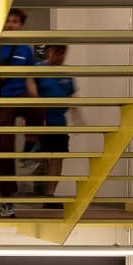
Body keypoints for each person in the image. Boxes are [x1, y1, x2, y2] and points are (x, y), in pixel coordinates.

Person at [0, 7, 38, 210]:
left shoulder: (25, 50)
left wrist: (36, 100)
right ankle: (6, 196)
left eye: (15, 21)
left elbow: (30, 78)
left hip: (20, 95)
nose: (11, 25)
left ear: (21, 25)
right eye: (8, 21)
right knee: (5, 148)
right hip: (2, 101)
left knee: (39, 108)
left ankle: (30, 147)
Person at [27, 44, 77, 198]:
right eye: (57, 53)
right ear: (50, 52)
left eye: (63, 53)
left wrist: (78, 116)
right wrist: (37, 107)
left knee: (57, 158)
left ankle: (49, 194)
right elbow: (30, 87)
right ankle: (38, 180)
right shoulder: (38, 69)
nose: (60, 57)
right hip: (41, 121)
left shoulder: (66, 74)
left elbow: (70, 97)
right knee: (39, 155)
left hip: (58, 122)